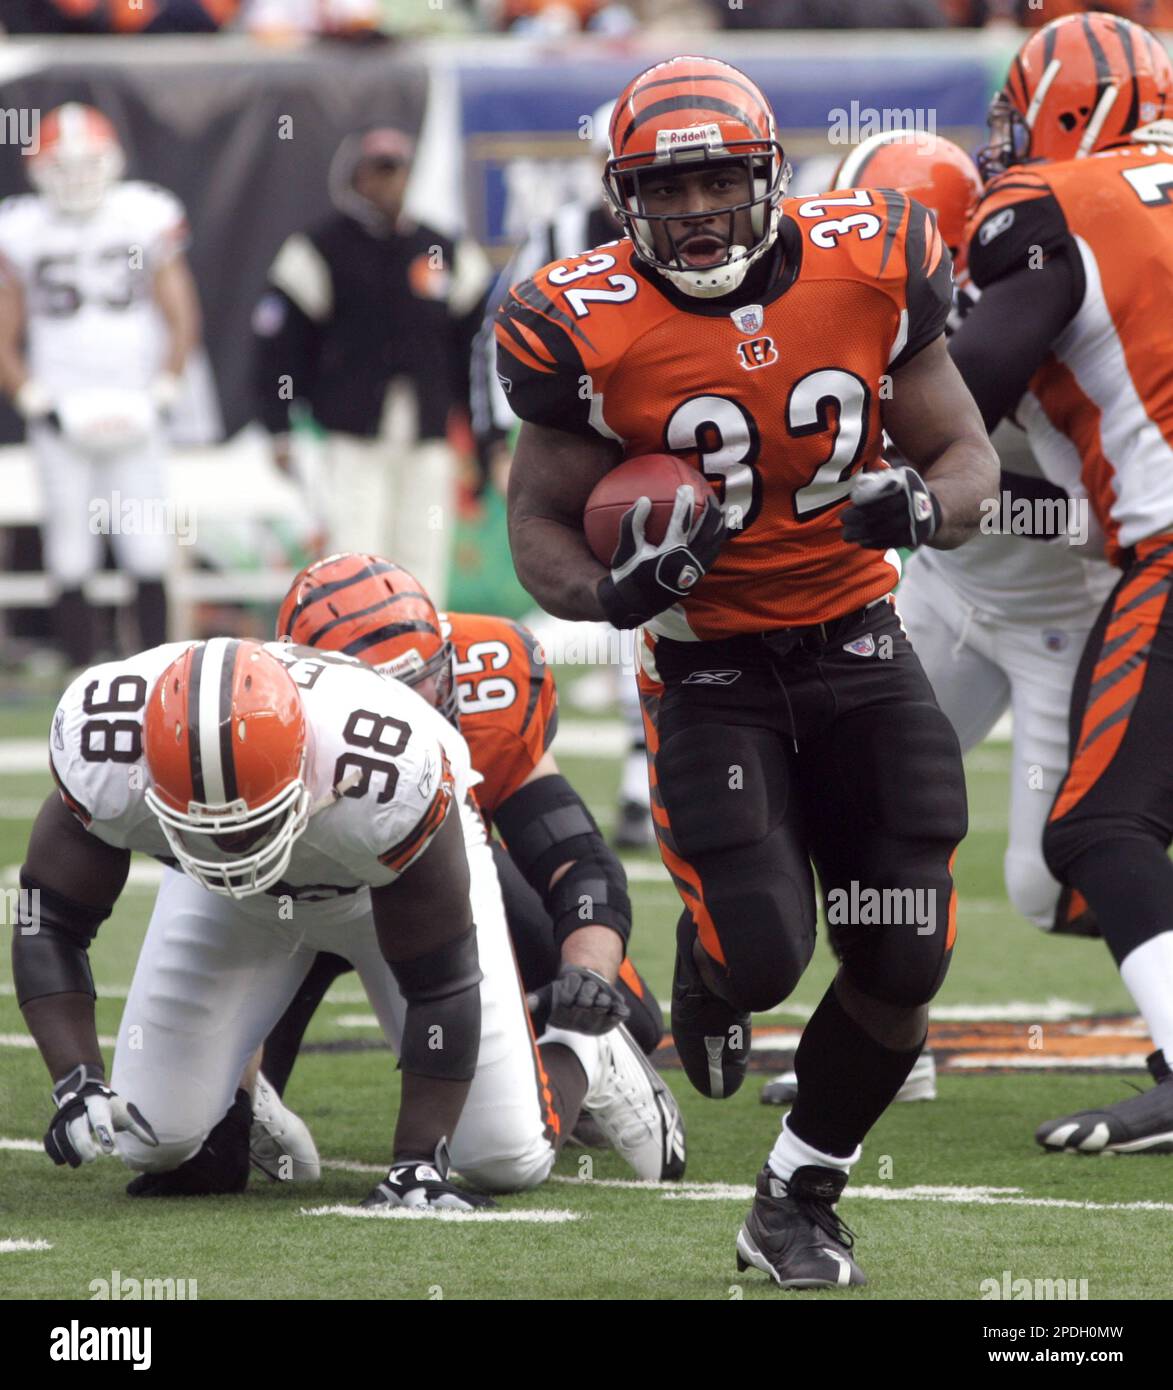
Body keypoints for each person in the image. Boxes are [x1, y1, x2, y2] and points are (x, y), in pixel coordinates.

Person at [497, 55, 998, 1288]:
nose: (698, 212)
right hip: (710, 664)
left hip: (857, 637)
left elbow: (968, 453)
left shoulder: (875, 261)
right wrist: (614, 596)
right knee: (769, 951)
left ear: (771, 177)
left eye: (720, 180)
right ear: (623, 201)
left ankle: (796, 1195)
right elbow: (540, 530)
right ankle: (714, 967)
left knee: (905, 944)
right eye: (666, 192)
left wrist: (924, 506)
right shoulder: (581, 322)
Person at [14, 635, 680, 1208]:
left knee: (502, 1159)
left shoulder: (386, 777)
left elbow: (439, 984)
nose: (230, 843)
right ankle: (234, 1089)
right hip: (222, 896)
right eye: (204, 826)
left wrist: (417, 1165)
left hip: (377, 884)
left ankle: (583, 1052)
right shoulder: (106, 747)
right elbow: (47, 921)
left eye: (245, 826)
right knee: (146, 1137)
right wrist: (76, 1080)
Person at [762, 130, 1118, 1111]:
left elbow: (1108, 508)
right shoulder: (835, 317)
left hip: (1065, 619)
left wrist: (953, 497)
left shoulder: (1043, 312)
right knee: (859, 810)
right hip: (946, 600)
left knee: (1051, 882)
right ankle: (881, 1040)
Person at [253, 553, 679, 1171]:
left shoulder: (492, 687)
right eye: (381, 699)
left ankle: (585, 1062)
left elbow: (577, 861)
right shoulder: (253, 720)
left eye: (423, 684)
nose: (412, 712)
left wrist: (586, 969)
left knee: (619, 1018)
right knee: (209, 1148)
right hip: (300, 901)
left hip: (440, 894)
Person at [948, 11, 1173, 1154]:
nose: (1008, 139)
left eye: (1020, 113)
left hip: (1165, 544)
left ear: (1072, 112)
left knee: (1091, 828)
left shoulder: (1057, 201)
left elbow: (966, 394)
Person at [470, 102, 655, 849]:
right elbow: (499, 332)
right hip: (590, 445)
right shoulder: (559, 235)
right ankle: (643, 785)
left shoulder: (713, 232)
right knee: (620, 604)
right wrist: (492, 431)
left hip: (684, 442)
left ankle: (664, 777)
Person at [251, 127, 492, 604]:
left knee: (422, 550)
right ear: (354, 179)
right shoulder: (322, 248)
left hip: (427, 430)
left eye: (398, 170)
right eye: (378, 171)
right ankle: (355, 654)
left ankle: (420, 653)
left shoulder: (441, 249)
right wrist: (279, 425)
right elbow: (278, 346)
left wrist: (482, 438)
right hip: (350, 430)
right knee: (355, 550)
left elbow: (478, 350)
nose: (390, 182)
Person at [0, 103, 201, 670]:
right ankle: (80, 678)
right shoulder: (20, 227)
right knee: (69, 547)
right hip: (61, 404)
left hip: (136, 401)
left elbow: (181, 312)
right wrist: (34, 399)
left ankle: (165, 671)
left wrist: (165, 387)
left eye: (86, 163)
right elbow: (4, 328)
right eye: (61, 166)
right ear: (37, 170)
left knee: (147, 544)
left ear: (112, 162)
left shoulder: (143, 214)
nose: (76, 178)